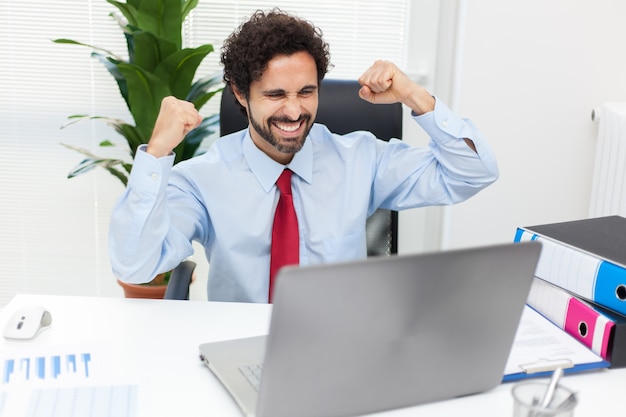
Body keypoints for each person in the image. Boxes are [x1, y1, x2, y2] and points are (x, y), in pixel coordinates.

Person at [109, 9, 499, 303]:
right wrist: (157, 152)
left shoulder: (360, 159)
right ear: (241, 95)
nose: (294, 112)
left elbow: (473, 172)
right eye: (276, 95)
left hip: (341, 347)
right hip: (241, 343)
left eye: (306, 92)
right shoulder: (202, 179)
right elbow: (136, 264)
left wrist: (416, 97)